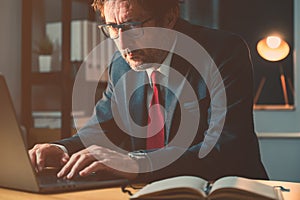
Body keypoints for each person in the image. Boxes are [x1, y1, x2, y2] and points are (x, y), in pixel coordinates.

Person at [29, 0, 268, 183]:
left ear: (170, 16)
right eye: (113, 27)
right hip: (154, 190)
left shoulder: (222, 51)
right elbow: (99, 131)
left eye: (133, 26)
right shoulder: (121, 65)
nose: (123, 44)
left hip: (226, 190)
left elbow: (225, 148)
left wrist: (134, 162)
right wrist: (59, 149)